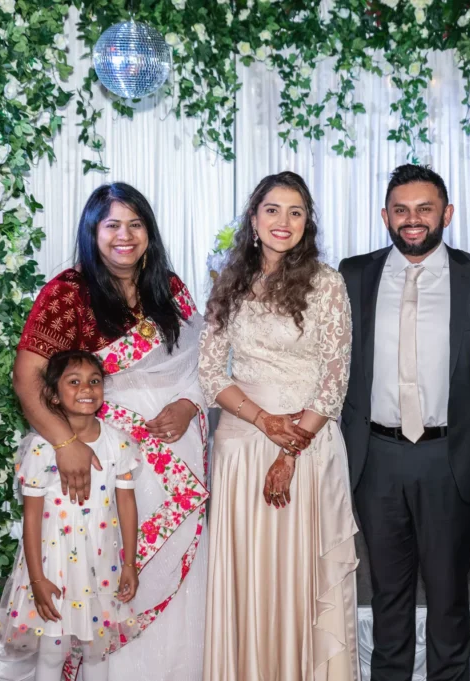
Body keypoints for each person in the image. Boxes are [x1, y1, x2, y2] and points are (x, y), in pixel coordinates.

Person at [13, 183, 209, 681]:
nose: (125, 236)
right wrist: (65, 443)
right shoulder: (67, 293)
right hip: (101, 456)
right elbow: (28, 379)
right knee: (107, 571)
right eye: (112, 225)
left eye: (135, 224)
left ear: (149, 231)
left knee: (176, 582)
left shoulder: (169, 286)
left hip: (176, 450)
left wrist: (189, 405)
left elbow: (202, 364)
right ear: (92, 232)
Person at [340, 165, 470, 681]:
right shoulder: (352, 276)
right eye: (401, 210)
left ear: (446, 214)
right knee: (388, 593)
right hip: (375, 456)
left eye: (425, 209)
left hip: (450, 457)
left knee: (449, 592)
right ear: (385, 215)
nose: (413, 221)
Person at [198, 171, 359, 681]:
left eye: (295, 211)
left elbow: (335, 375)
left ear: (307, 221)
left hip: (305, 443)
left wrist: (289, 449)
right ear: (253, 217)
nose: (282, 221)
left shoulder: (327, 282)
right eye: (272, 210)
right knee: (246, 574)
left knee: (297, 574)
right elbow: (208, 372)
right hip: (242, 446)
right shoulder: (228, 281)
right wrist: (264, 420)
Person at [0, 350, 140, 681]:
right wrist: (37, 579)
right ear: (52, 394)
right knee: (51, 654)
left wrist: (130, 563)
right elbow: (31, 519)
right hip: (55, 569)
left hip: (103, 566)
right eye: (73, 382)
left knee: (97, 656)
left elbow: (127, 505)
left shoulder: (117, 444)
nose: (86, 389)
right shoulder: (40, 449)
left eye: (94, 381)